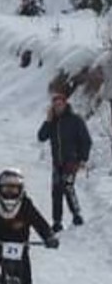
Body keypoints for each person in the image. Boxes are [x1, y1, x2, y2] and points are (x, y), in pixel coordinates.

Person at [37, 91, 92, 231]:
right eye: (55, 105)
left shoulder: (75, 120)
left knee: (68, 187)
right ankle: (57, 222)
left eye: (60, 104)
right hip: (57, 163)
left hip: (71, 161)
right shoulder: (52, 122)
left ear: (65, 104)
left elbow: (86, 140)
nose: (58, 107)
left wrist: (83, 158)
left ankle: (77, 215)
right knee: (56, 191)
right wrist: (47, 121)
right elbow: (41, 137)